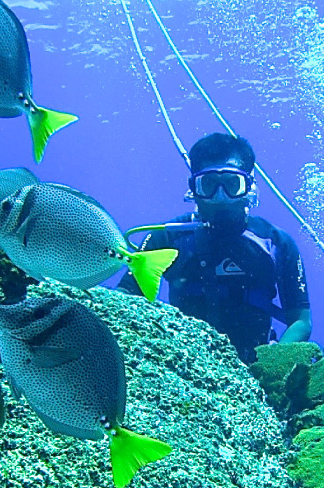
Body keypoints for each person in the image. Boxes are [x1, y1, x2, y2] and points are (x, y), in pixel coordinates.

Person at [124, 133, 311, 360]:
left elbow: (301, 320)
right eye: (209, 185)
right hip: (182, 363)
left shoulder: (277, 243)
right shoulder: (166, 237)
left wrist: (272, 364)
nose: (221, 197)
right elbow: (125, 295)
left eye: (233, 184)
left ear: (249, 187)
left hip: (254, 369)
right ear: (193, 188)